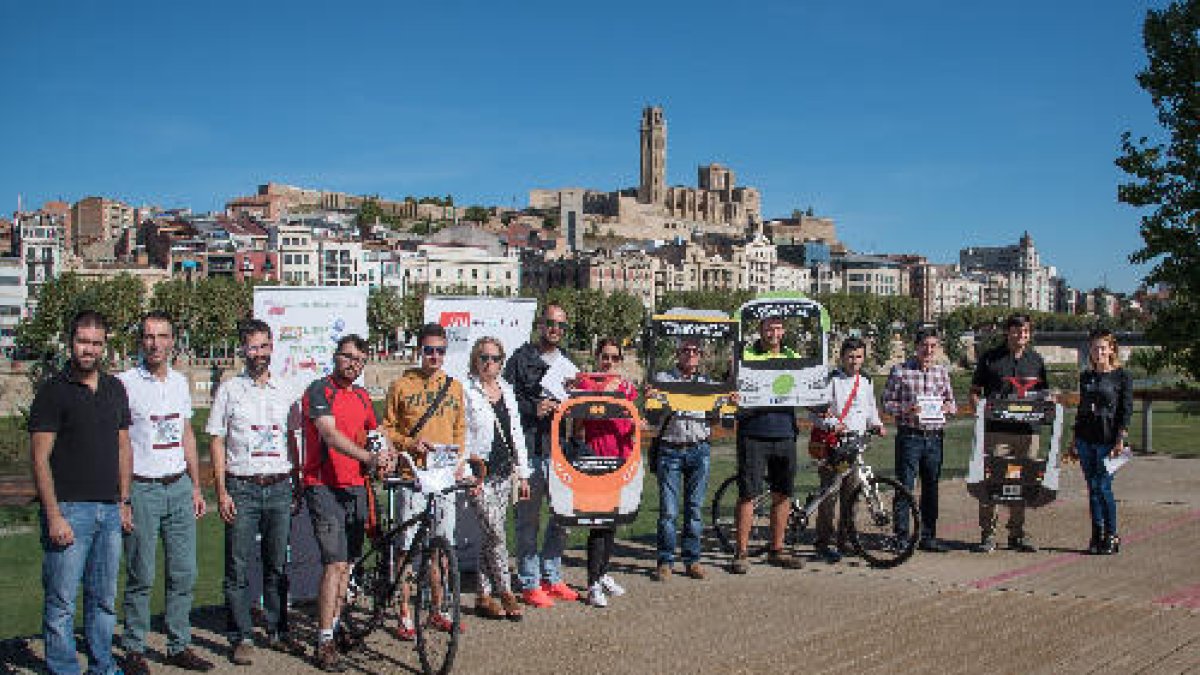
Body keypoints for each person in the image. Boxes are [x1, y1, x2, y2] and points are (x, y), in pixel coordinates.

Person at [29, 310, 133, 675]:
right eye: (82, 341)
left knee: (103, 600)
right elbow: (40, 459)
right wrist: (53, 513)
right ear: (70, 342)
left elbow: (123, 448)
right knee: (61, 601)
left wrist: (124, 501)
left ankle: (102, 666)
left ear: (105, 346)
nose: (88, 349)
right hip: (70, 510)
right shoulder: (53, 392)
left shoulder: (115, 388)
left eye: (96, 343)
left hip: (108, 509)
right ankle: (64, 669)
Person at [118, 312, 213, 674]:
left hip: (179, 487)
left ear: (173, 340)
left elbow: (186, 434)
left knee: (184, 573)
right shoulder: (124, 383)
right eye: (148, 336)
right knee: (141, 573)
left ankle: (179, 644)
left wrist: (196, 486)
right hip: (143, 488)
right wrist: (123, 497)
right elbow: (120, 443)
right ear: (140, 341)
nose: (155, 343)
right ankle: (135, 647)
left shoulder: (178, 382)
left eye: (162, 336)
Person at [207, 319, 304, 665]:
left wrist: (298, 481)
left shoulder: (286, 389)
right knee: (237, 565)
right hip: (242, 487)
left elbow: (294, 438)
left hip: (279, 485)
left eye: (264, 346)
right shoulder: (230, 390)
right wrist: (221, 491)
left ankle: (278, 630)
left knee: (276, 564)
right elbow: (216, 439)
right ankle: (241, 635)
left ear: (272, 347)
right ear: (242, 350)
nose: (258, 353)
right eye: (252, 347)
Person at [299, 334, 392, 671]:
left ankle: (334, 628)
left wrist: (388, 454)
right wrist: (370, 456)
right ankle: (323, 640)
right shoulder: (318, 390)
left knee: (349, 565)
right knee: (335, 563)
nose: (352, 364)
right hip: (324, 486)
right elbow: (330, 435)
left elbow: (377, 432)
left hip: (355, 487)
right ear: (335, 356)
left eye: (359, 360)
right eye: (347, 357)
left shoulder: (364, 396)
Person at [382, 322, 467, 639]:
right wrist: (408, 444)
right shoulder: (402, 385)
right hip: (413, 478)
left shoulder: (455, 386)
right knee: (407, 548)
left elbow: (460, 429)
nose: (434, 356)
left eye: (440, 351)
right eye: (429, 350)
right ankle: (404, 611)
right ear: (420, 351)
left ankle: (437, 609)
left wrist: (459, 463)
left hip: (443, 478)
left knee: (441, 549)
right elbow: (387, 429)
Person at [504, 304, 580, 607]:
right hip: (531, 450)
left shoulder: (569, 365)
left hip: (559, 450)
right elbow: (506, 402)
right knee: (528, 520)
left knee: (562, 517)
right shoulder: (520, 359)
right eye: (550, 324)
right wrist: (532, 409)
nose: (555, 330)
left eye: (561, 325)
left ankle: (552, 574)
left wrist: (575, 399)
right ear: (540, 325)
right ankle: (529, 581)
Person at [463, 336, 531, 621]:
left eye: (494, 358)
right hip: (480, 475)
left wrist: (523, 473)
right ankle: (504, 589)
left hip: (504, 474)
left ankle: (483, 594)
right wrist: (468, 475)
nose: (489, 364)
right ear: (475, 360)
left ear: (502, 362)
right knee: (496, 533)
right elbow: (461, 436)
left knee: (491, 536)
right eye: (483, 358)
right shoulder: (466, 390)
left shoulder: (506, 390)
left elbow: (516, 433)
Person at [730, 316, 805, 574]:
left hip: (784, 432)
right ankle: (741, 552)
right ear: (760, 330)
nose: (773, 332)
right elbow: (733, 382)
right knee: (748, 494)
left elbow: (805, 385)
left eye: (777, 327)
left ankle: (777, 549)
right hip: (753, 432)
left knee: (783, 493)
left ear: (783, 330)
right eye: (768, 327)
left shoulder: (792, 355)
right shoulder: (746, 354)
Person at [970, 314, 1049, 554]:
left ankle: (1017, 534)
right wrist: (980, 410)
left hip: (1027, 433)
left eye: (1025, 331)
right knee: (992, 482)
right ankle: (988, 534)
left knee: (1023, 483)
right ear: (1008, 332)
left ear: (1029, 334)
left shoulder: (1036, 360)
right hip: (997, 432)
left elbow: (1044, 394)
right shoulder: (990, 359)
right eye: (1016, 331)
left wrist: (1049, 402)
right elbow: (974, 392)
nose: (1020, 335)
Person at [573, 339, 638, 608]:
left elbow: (630, 409)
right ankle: (592, 582)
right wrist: (607, 391)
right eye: (605, 357)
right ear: (597, 357)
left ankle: (603, 573)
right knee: (598, 523)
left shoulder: (625, 386)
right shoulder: (586, 382)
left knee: (612, 522)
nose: (609, 362)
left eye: (614, 358)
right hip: (596, 460)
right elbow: (589, 406)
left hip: (621, 459)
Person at [882, 329, 956, 553]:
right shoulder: (900, 371)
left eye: (933, 346)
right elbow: (886, 402)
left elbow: (952, 403)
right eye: (925, 345)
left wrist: (947, 407)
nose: (929, 350)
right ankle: (901, 536)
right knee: (905, 486)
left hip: (934, 438)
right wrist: (907, 409)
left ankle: (928, 535)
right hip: (910, 436)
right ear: (916, 347)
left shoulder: (942, 372)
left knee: (931, 488)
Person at [812, 337, 885, 563]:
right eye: (850, 356)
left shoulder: (866, 380)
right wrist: (833, 425)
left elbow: (870, 408)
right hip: (834, 444)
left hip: (855, 445)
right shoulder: (831, 380)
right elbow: (816, 412)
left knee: (851, 495)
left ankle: (845, 539)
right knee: (829, 494)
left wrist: (877, 424)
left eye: (859, 356)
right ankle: (823, 542)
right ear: (842, 357)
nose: (855, 361)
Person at [651, 337, 714, 582]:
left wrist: (728, 404)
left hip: (699, 449)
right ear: (677, 353)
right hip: (671, 449)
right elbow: (653, 414)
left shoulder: (708, 383)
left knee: (695, 509)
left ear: (700, 355)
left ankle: (692, 559)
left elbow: (716, 417)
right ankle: (665, 560)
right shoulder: (664, 380)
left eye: (695, 350)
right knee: (668, 511)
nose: (690, 354)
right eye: (686, 350)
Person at [1067, 329, 1132, 555]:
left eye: (1103, 347)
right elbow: (1082, 409)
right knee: (1092, 488)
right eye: (1095, 348)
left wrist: (1120, 439)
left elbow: (1126, 410)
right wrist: (1074, 440)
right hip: (1086, 438)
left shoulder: (1121, 376)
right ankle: (1097, 534)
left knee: (1103, 487)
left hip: (1108, 439)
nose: (1098, 352)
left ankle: (1112, 535)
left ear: (1111, 349)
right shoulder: (1087, 377)